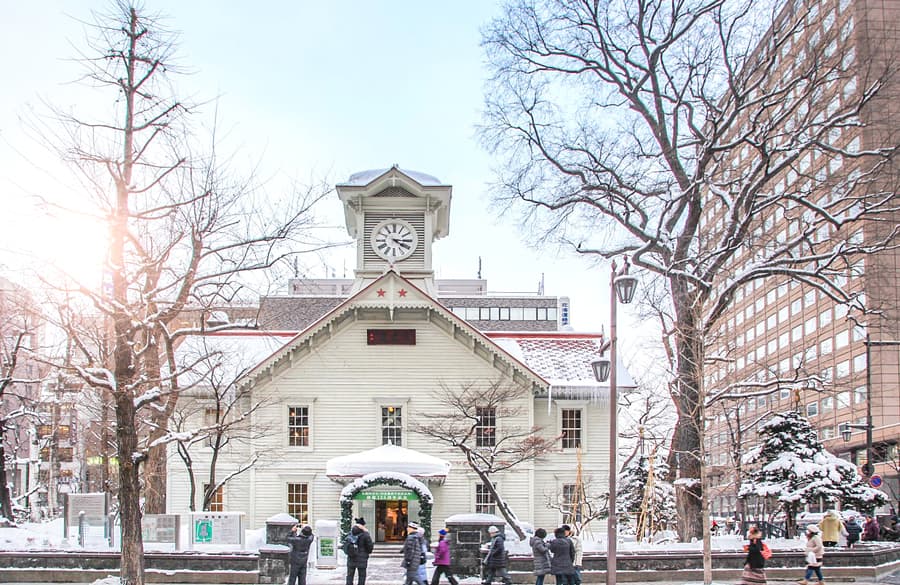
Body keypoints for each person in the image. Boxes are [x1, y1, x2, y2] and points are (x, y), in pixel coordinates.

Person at [344, 517, 374, 585]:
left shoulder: (351, 533)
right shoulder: (365, 534)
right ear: (363, 525)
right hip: (362, 558)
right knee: (362, 576)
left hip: (351, 558)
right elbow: (370, 547)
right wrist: (367, 552)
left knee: (350, 575)